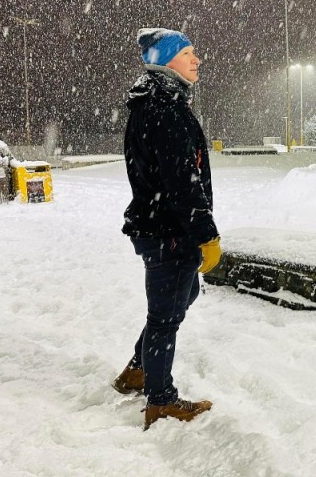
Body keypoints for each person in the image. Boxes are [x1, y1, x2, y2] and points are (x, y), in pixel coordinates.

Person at [112, 27, 221, 430]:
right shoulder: (166, 109)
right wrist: (206, 234)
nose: (197, 60)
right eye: (189, 52)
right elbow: (183, 182)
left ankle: (139, 370)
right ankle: (160, 399)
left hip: (156, 224)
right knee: (164, 317)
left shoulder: (152, 103)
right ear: (166, 59)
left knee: (182, 294)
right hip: (169, 230)